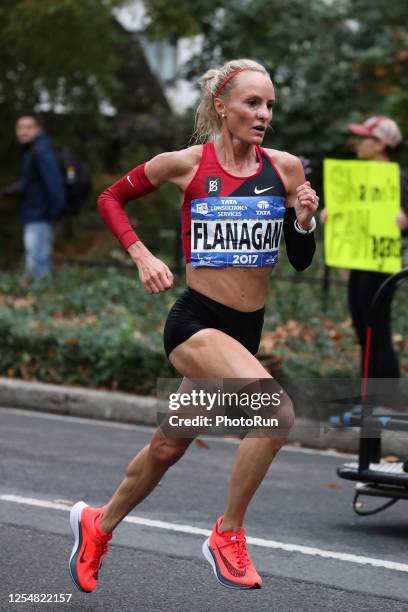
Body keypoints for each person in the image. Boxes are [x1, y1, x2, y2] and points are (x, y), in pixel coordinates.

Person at [68, 59, 319, 593]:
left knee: (168, 447)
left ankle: (98, 524)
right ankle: (227, 534)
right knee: (275, 412)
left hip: (244, 331)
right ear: (221, 107)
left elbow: (299, 259)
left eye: (270, 105)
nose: (264, 114)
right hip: (196, 325)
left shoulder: (286, 169)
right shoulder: (183, 164)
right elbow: (110, 197)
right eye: (253, 103)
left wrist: (303, 221)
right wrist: (141, 255)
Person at [321, 116, 408, 379]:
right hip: (359, 261)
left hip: (381, 264)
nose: (356, 143)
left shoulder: (399, 179)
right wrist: (332, 214)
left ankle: (385, 405)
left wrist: (405, 221)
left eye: (363, 138)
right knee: (364, 330)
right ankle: (369, 403)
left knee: (377, 330)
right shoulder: (353, 178)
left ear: (381, 144)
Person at [8, 113, 66, 279]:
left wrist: (56, 212)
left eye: (28, 127)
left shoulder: (40, 150)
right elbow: (32, 183)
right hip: (34, 214)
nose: (23, 131)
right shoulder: (32, 150)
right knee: (35, 263)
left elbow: (54, 183)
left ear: (38, 129)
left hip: (40, 216)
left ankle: (41, 301)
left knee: (37, 266)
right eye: (20, 127)